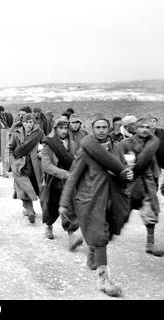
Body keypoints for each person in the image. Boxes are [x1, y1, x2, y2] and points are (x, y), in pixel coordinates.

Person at [59, 113, 133, 297]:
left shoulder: (116, 147)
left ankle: (93, 252)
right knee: (100, 236)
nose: (101, 130)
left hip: (112, 198)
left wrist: (127, 174)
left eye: (104, 127)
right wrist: (63, 204)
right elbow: (73, 177)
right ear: (93, 128)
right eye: (97, 127)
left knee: (108, 233)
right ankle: (103, 280)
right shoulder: (86, 150)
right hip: (91, 200)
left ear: (109, 128)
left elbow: (122, 167)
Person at [120, 118, 164, 257]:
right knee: (116, 213)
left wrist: (156, 179)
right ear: (135, 128)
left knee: (150, 213)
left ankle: (150, 244)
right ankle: (98, 242)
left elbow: (155, 164)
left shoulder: (153, 144)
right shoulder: (125, 144)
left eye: (147, 127)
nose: (145, 129)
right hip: (128, 185)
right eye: (141, 126)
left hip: (147, 184)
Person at [40, 118, 83, 250]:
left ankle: (71, 236)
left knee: (69, 208)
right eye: (61, 128)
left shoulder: (73, 144)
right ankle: (48, 225)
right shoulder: (48, 144)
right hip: (52, 181)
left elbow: (77, 160)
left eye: (65, 128)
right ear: (55, 129)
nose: (64, 131)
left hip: (68, 183)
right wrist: (64, 174)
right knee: (50, 206)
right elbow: (46, 165)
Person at [9, 113, 45, 223]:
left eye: (31, 122)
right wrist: (13, 163)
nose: (29, 124)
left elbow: (47, 145)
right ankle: (30, 211)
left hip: (35, 166)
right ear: (23, 123)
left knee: (39, 188)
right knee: (24, 188)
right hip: (21, 166)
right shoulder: (16, 134)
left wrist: (43, 151)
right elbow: (10, 149)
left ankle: (46, 211)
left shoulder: (39, 133)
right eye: (26, 122)